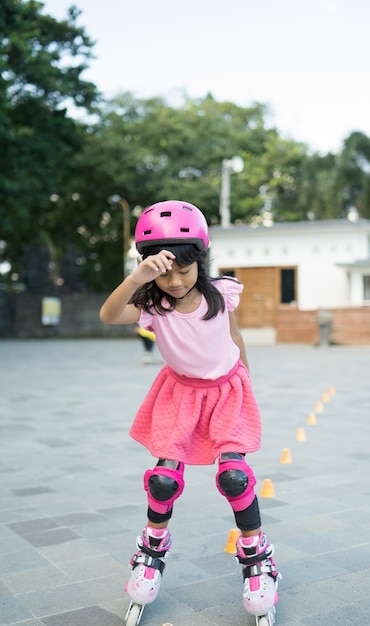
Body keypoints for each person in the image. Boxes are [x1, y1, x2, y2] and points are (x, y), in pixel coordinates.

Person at [99, 200, 279, 619]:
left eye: (183, 269)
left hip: (226, 393)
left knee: (234, 476)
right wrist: (138, 277)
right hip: (179, 395)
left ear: (200, 259)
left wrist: (248, 385)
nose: (175, 281)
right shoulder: (153, 304)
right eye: (165, 272)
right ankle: (150, 551)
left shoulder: (220, 295)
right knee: (162, 480)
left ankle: (258, 558)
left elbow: (235, 340)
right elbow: (108, 315)